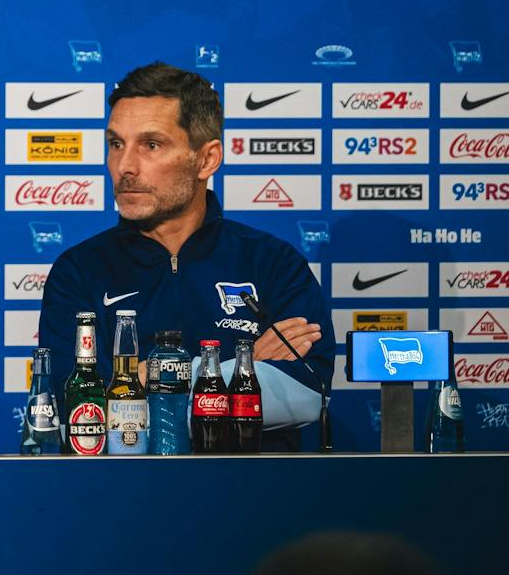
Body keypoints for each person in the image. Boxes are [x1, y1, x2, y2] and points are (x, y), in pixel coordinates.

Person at [38, 61, 331, 448]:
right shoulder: (78, 271)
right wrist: (246, 368)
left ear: (207, 159)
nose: (125, 166)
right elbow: (78, 415)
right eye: (116, 144)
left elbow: (307, 397)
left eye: (151, 145)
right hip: (122, 486)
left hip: (251, 485)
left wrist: (140, 381)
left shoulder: (274, 263)